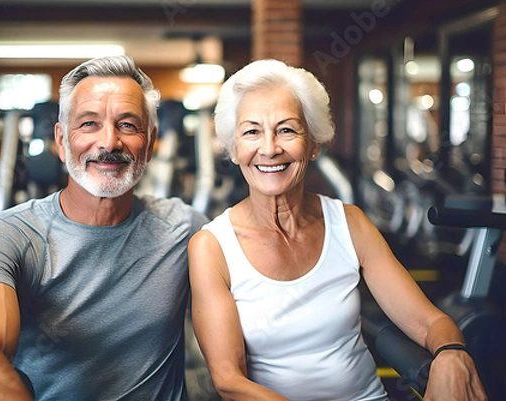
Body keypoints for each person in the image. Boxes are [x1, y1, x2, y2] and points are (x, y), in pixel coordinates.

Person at [188, 59, 487, 401]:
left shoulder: (351, 223)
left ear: (314, 144)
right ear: (234, 149)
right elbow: (229, 379)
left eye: (287, 129)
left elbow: (429, 322)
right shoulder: (211, 247)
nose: (269, 148)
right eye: (252, 131)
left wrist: (451, 353)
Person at [0, 55, 208, 401]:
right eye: (89, 124)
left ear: (151, 140)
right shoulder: (8, 236)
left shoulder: (185, 229)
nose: (109, 142)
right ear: (61, 140)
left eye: (128, 125)